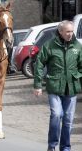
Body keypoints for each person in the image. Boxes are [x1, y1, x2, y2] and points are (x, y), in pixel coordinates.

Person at [34, 20, 82, 151]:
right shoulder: (49, 45)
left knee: (68, 120)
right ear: (60, 32)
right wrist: (38, 85)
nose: (70, 34)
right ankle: (52, 146)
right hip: (54, 86)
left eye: (72, 31)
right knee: (56, 114)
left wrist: (78, 78)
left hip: (71, 88)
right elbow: (39, 64)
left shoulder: (77, 46)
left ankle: (65, 147)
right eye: (67, 31)